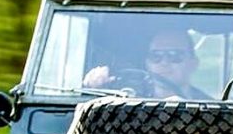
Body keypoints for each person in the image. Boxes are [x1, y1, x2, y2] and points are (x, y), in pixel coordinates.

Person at [82, 29, 212, 99]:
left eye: (174, 56)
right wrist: (93, 90)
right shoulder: (127, 101)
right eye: (156, 56)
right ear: (147, 63)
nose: (164, 62)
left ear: (193, 63)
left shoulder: (208, 108)